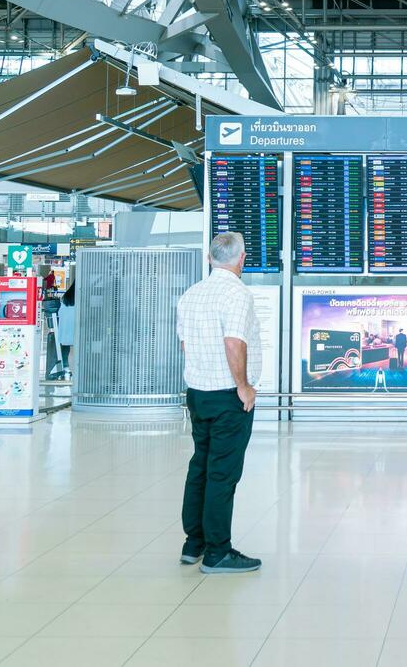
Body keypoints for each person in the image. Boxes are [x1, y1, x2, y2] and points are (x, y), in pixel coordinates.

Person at [176, 232, 263, 574]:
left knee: (200, 465)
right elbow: (233, 343)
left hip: (198, 394)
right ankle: (217, 551)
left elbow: (186, 346)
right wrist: (243, 386)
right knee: (222, 472)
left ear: (210, 259)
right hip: (228, 396)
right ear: (241, 258)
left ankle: (193, 543)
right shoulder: (237, 294)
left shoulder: (192, 294)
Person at [53, 283, 77, 379]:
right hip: (79, 327)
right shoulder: (82, 294)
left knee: (72, 351)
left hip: (69, 330)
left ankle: (75, 374)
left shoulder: (67, 296)